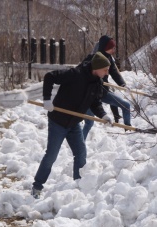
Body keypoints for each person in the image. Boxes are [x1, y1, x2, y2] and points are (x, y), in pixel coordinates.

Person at [31, 52, 113, 199]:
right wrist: (47, 99)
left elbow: (95, 103)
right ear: (97, 68)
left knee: (81, 153)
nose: (107, 73)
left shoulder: (97, 83)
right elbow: (50, 76)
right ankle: (37, 186)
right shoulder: (75, 74)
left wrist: (103, 115)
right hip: (58, 121)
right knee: (51, 155)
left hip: (74, 122)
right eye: (105, 69)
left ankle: (78, 185)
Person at [79, 35, 131, 140]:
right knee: (89, 122)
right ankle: (80, 143)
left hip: (103, 92)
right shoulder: (92, 58)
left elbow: (114, 72)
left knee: (126, 105)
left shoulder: (109, 59)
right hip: (90, 95)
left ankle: (128, 131)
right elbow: (81, 72)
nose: (113, 50)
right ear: (105, 47)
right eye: (112, 48)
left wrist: (122, 84)